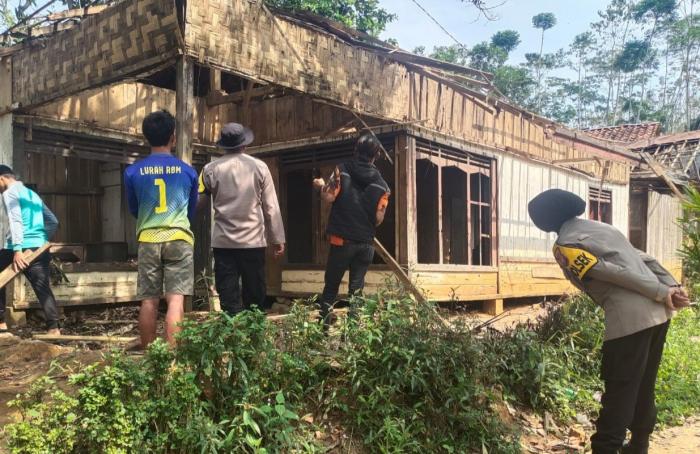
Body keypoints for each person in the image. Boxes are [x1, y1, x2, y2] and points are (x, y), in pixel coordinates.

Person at [528, 189, 690, 454]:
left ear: (544, 220)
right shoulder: (603, 228)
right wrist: (671, 285)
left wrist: (662, 291)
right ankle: (638, 447)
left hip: (629, 321)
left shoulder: (565, 245)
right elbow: (644, 258)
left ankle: (606, 448)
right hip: (658, 316)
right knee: (644, 384)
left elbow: (612, 273)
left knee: (620, 390)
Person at [124, 110, 198, 348]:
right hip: (179, 237)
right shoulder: (188, 171)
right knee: (175, 301)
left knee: (149, 301)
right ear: (173, 137)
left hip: (148, 238)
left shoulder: (132, 172)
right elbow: (191, 211)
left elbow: (134, 209)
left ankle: (150, 359)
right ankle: (172, 360)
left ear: (146, 137)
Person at [198, 123, 285, 315]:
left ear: (223, 145)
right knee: (255, 296)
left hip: (223, 244)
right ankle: (254, 337)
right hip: (252, 243)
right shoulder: (260, 167)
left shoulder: (209, 170)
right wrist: (277, 239)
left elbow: (200, 204)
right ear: (244, 144)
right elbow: (271, 206)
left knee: (228, 296)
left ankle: (232, 337)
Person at [312, 133, 390, 330]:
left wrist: (321, 186)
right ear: (376, 156)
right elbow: (378, 220)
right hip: (365, 244)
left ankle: (323, 331)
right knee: (356, 290)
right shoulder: (382, 186)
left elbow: (329, 197)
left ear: (356, 150)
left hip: (342, 241)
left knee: (331, 287)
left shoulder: (342, 169)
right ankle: (353, 334)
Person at [0, 165, 60, 335]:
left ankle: (1, 323)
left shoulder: (10, 193)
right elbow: (53, 221)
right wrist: (40, 239)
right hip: (38, 247)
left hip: (18, 248)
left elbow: (16, 221)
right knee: (42, 286)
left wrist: (18, 250)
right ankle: (54, 328)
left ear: (2, 179)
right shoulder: (32, 194)